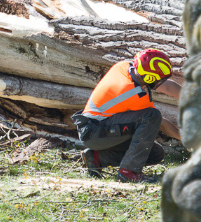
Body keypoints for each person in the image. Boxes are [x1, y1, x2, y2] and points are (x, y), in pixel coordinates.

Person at [72, 48, 182, 183]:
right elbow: (160, 122)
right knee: (151, 116)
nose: (161, 82)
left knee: (155, 154)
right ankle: (128, 173)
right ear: (149, 78)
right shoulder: (133, 93)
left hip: (98, 126)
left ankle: (96, 158)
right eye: (159, 80)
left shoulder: (125, 66)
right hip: (94, 133)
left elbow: (166, 87)